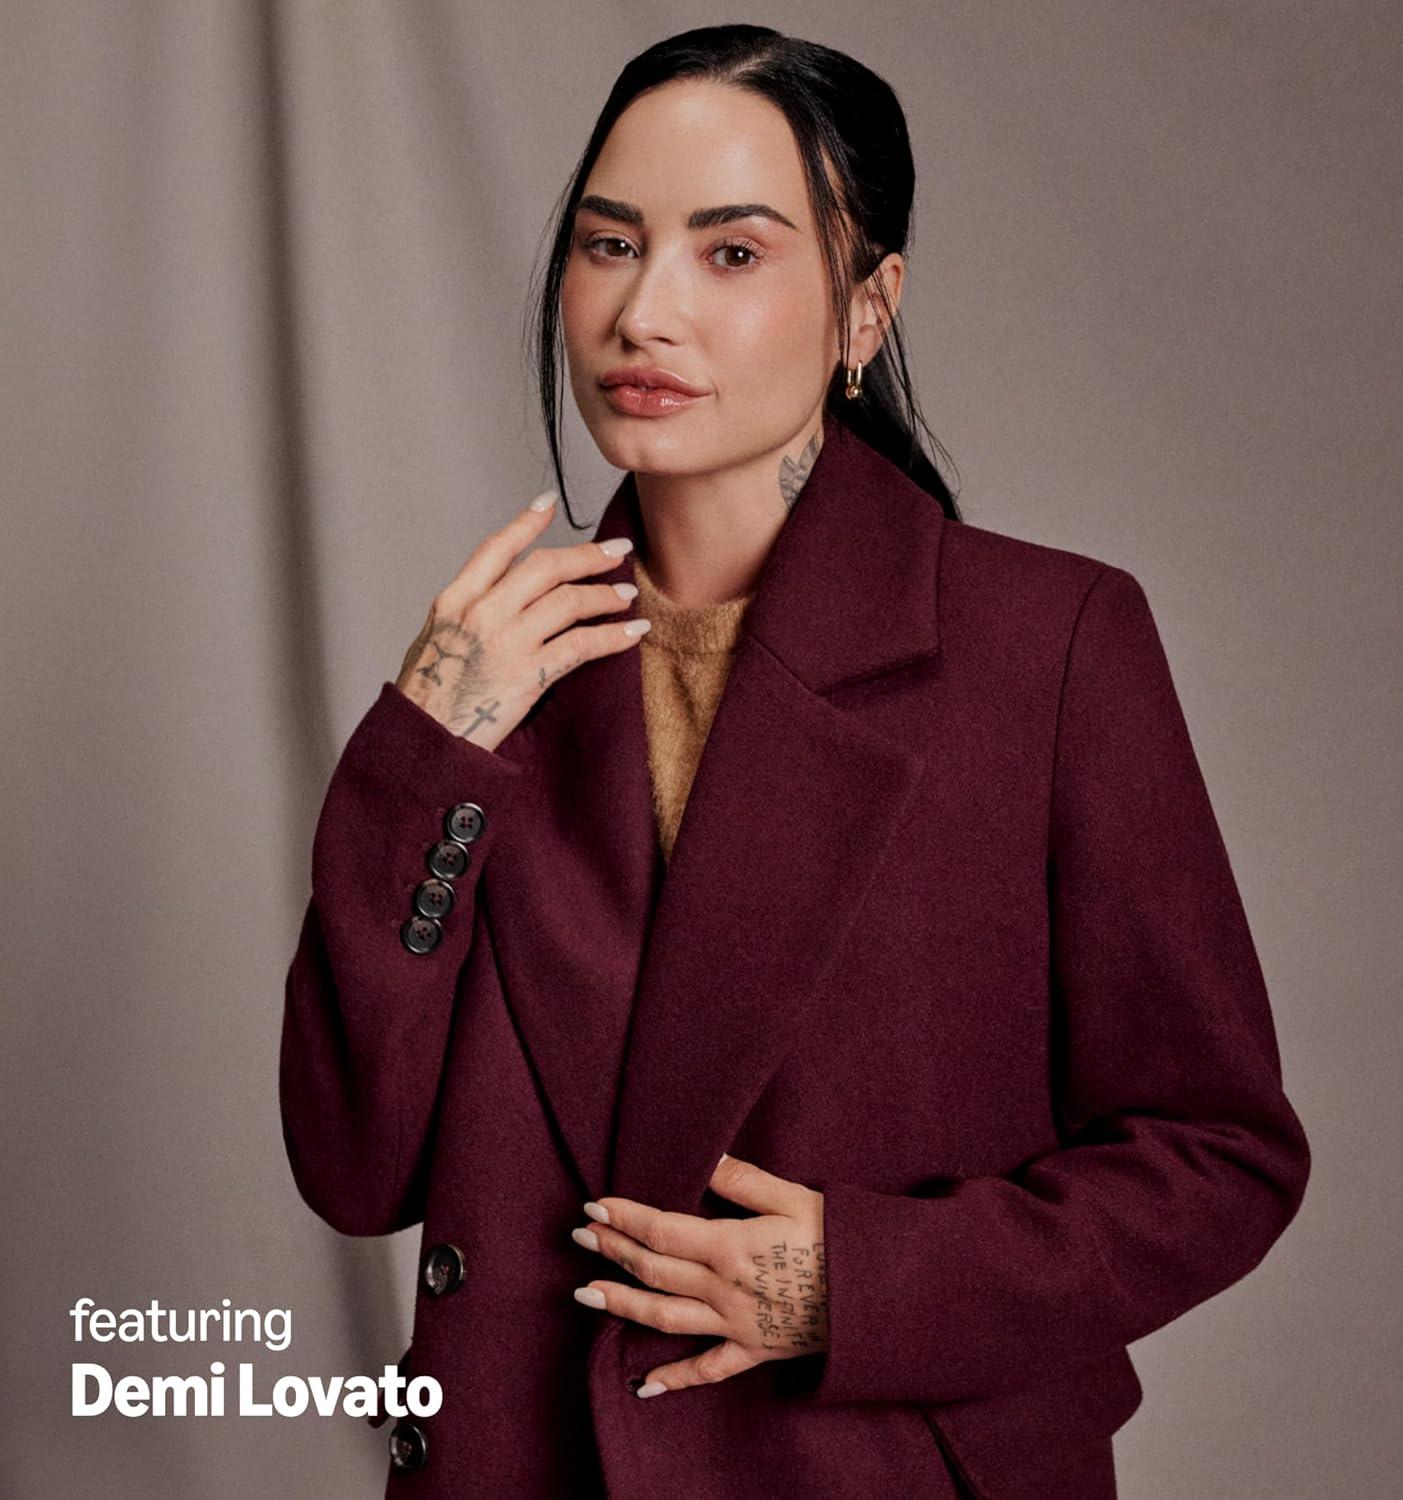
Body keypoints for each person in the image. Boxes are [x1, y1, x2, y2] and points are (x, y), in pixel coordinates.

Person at [279, 24, 1311, 1499]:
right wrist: (424, 750)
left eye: (732, 254)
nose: (646, 311)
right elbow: (352, 1167)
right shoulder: (500, 680)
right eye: (610, 244)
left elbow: (1220, 1154)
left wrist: (867, 1286)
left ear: (867, 306)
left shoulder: (1049, 645)